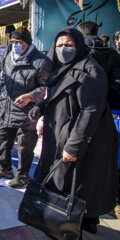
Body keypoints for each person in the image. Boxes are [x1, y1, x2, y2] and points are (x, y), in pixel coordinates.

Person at [29, 27, 118, 235]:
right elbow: (57, 95)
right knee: (60, 184)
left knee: (72, 187)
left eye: (68, 45)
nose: (63, 49)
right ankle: (63, 225)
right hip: (59, 134)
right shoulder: (63, 68)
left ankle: (66, 229)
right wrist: (39, 107)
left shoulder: (90, 70)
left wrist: (73, 146)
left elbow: (90, 110)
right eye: (59, 45)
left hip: (77, 140)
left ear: (78, 46)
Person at [0, 26, 51, 188]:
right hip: (6, 108)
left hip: (27, 113)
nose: (15, 45)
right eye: (13, 42)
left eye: (18, 42)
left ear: (27, 43)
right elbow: (2, 80)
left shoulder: (41, 62)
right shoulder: (8, 57)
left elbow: (46, 87)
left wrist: (31, 96)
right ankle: (4, 168)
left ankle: (23, 175)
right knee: (2, 139)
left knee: (24, 146)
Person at [77, 21, 120, 112]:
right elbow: (116, 83)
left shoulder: (76, 52)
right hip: (106, 107)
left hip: (79, 106)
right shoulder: (112, 53)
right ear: (97, 33)